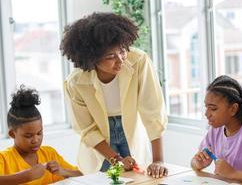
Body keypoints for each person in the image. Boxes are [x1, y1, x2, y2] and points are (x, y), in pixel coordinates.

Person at [61, 12, 168, 178]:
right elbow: (87, 129)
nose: (120, 60)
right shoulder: (76, 83)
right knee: (106, 179)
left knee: (139, 180)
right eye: (110, 56)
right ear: (92, 58)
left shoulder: (138, 61)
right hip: (100, 142)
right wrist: (115, 159)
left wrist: (159, 160)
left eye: (123, 51)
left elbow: (153, 110)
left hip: (130, 129)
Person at [0, 85, 82, 185]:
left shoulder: (49, 153)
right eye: (28, 136)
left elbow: (83, 174)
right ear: (12, 133)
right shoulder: (3, 158)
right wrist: (27, 175)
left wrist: (63, 171)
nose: (36, 140)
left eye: (39, 133)